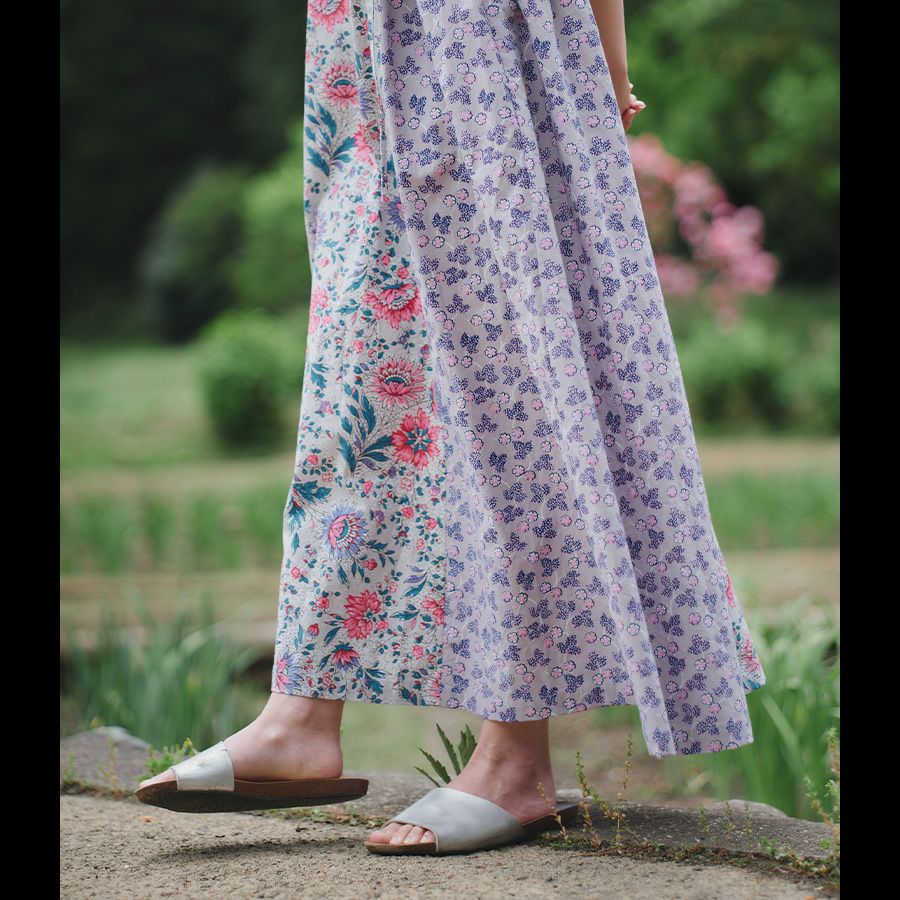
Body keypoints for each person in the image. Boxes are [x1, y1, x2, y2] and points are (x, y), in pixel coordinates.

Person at [137, 0, 767, 855]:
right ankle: (300, 716)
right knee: (357, 391)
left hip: (488, 49)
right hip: (367, 49)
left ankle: (516, 756)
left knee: (510, 393)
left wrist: (610, 71)